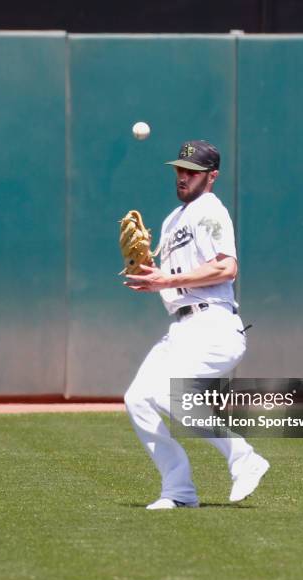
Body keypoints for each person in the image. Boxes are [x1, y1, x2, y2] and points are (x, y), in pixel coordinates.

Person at [123, 140, 269, 510]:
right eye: (180, 169)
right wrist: (149, 275)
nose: (183, 176)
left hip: (214, 324)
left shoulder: (210, 211)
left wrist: (166, 282)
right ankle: (179, 490)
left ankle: (244, 457)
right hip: (182, 328)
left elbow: (227, 267)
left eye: (192, 171)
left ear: (212, 176)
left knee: (170, 394)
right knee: (138, 398)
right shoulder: (174, 219)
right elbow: (174, 278)